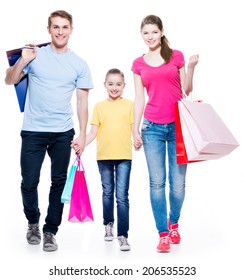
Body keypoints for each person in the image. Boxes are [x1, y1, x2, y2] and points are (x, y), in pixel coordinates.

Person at [4, 10, 93, 252]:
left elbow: (82, 102)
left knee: (59, 182)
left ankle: (50, 230)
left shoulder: (79, 64)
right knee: (29, 182)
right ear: (49, 30)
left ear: (71, 29)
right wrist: (22, 60)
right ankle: (33, 222)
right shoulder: (34, 55)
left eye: (65, 27)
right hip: (33, 130)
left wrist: (83, 134)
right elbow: (10, 80)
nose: (60, 31)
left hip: (62, 132)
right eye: (56, 27)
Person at [131, 15, 199, 253]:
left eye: (153, 32)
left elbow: (186, 90)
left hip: (179, 127)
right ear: (142, 35)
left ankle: (174, 223)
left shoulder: (176, 56)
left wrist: (190, 68)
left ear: (161, 32)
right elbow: (140, 98)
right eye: (145, 33)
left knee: (178, 184)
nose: (150, 37)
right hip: (152, 129)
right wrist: (134, 128)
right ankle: (162, 233)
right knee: (157, 183)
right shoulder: (138, 64)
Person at [85, 68, 133, 251]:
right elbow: (92, 132)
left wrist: (138, 139)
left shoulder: (130, 105)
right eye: (110, 84)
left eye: (118, 84)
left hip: (124, 157)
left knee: (122, 197)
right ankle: (108, 224)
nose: (114, 87)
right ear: (105, 85)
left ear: (124, 86)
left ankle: (123, 235)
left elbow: (134, 128)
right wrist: (81, 144)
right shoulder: (99, 106)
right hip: (104, 157)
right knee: (107, 193)